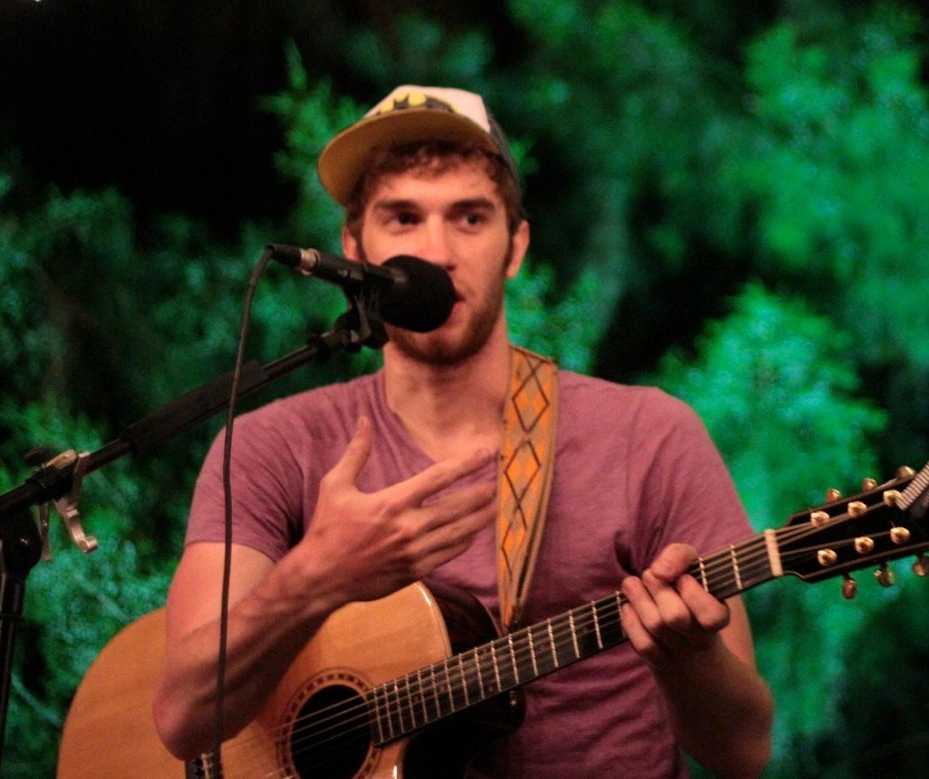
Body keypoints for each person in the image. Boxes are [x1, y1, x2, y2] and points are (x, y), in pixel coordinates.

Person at [151, 85, 774, 777]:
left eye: (470, 218)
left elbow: (742, 751)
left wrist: (688, 657)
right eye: (403, 219)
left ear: (516, 246)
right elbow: (184, 718)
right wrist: (316, 577)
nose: (436, 253)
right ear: (353, 249)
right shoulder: (271, 446)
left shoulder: (649, 435)